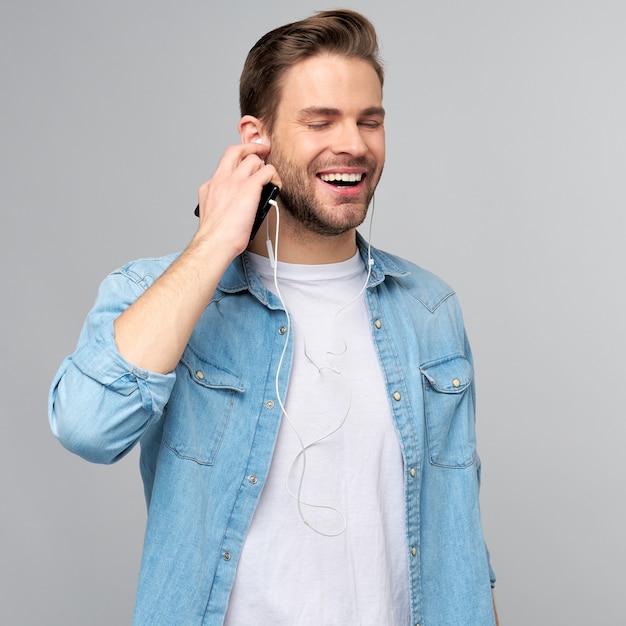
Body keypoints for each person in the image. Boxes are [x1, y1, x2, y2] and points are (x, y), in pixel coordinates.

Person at [49, 9, 498, 626]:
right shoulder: (157, 292)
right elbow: (86, 426)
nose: (355, 144)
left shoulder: (430, 309)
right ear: (256, 138)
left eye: (371, 121)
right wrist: (212, 245)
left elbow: (460, 546)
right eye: (321, 121)